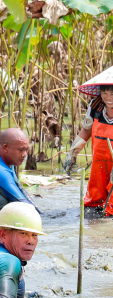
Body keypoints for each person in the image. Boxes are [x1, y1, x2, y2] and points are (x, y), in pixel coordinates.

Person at [65, 69, 113, 215]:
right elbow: (86, 130)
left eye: (112, 93)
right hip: (99, 164)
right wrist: (72, 153)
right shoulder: (95, 106)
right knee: (93, 205)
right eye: (104, 93)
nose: (108, 98)